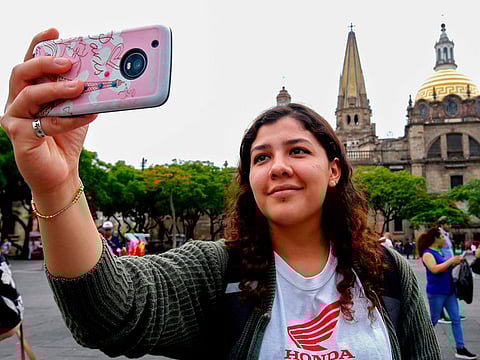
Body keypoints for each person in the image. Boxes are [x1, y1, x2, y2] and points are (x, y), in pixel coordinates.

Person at [0, 28, 441, 359]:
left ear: (334, 170)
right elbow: (108, 314)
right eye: (261, 157)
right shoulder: (216, 271)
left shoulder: (389, 274)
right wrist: (56, 185)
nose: (279, 166)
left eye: (298, 150)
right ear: (249, 179)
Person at [417, 227, 477, 359]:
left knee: (456, 319)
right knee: (434, 319)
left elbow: (444, 267)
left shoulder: (439, 252)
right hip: (437, 292)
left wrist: (456, 262)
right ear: (436, 238)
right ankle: (418, 342)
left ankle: (460, 348)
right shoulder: (427, 253)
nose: (445, 238)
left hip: (449, 291)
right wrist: (450, 261)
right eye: (442, 236)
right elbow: (434, 269)